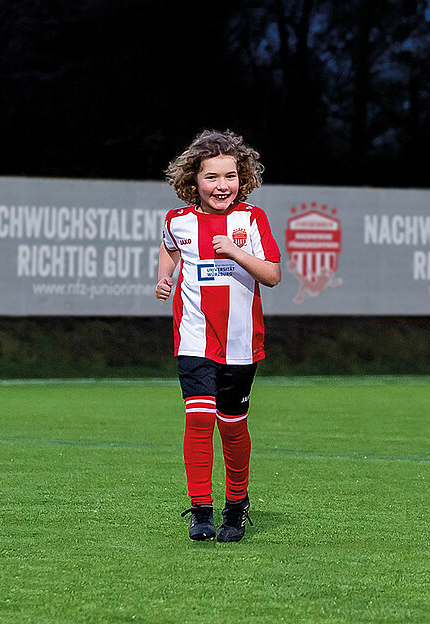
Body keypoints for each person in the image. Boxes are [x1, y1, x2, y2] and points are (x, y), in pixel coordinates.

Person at [155, 129, 281, 542]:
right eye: (211, 177)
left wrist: (236, 252)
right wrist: (164, 277)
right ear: (193, 181)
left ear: (242, 179)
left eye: (229, 176)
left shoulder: (253, 219)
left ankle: (236, 506)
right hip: (193, 339)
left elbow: (273, 276)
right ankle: (202, 511)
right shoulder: (179, 221)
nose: (221, 185)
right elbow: (170, 247)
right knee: (198, 418)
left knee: (232, 427)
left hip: (242, 344)